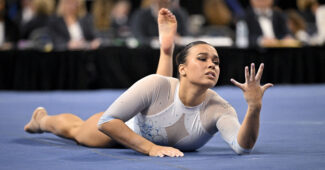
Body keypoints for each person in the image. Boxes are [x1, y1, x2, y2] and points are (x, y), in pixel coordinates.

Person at [24, 8, 273, 157]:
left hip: (157, 103)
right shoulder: (157, 84)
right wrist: (150, 148)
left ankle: (166, 50)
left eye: (216, 61)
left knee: (160, 87)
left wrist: (254, 109)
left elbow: (243, 147)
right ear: (183, 69)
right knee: (77, 132)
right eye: (203, 58)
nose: (212, 64)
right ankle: (42, 120)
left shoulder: (220, 109)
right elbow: (108, 122)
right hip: (128, 128)